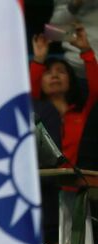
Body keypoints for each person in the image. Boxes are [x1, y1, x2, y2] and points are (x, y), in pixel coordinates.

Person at [32, 27, 98, 167]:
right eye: (47, 73)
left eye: (61, 71)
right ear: (40, 81)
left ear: (71, 80)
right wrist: (39, 59)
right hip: (45, 185)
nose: (54, 75)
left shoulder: (84, 112)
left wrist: (86, 50)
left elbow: (96, 90)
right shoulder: (35, 116)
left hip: (81, 185)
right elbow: (24, 100)